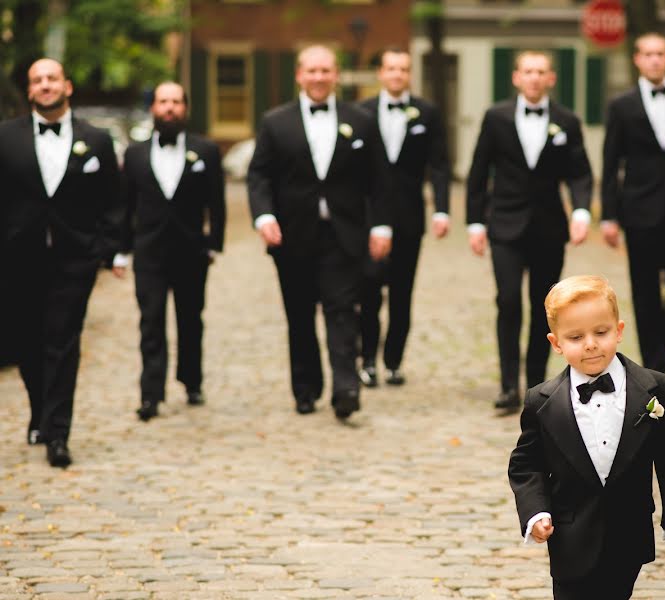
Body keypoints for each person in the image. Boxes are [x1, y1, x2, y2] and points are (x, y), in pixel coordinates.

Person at [508, 275, 665, 600]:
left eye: (601, 332)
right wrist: (536, 511)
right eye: (575, 336)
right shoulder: (541, 401)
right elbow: (527, 465)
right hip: (569, 535)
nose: (590, 344)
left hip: (628, 534)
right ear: (556, 343)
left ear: (619, 330)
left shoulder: (658, 391)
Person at [247, 45, 392, 420]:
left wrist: (380, 224)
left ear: (336, 76)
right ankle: (306, 387)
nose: (319, 77)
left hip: (343, 234)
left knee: (342, 311)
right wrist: (264, 217)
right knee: (299, 315)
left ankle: (346, 387)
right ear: (299, 75)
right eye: (312, 71)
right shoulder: (275, 122)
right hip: (292, 234)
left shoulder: (359, 120)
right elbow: (259, 175)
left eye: (326, 70)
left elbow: (378, 178)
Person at [0, 58, 123, 467]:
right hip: (19, 257)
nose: (46, 85)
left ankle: (58, 432)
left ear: (67, 86)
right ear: (30, 90)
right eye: (37, 80)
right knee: (26, 341)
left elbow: (113, 200)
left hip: (76, 257)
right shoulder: (6, 138)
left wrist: (107, 248)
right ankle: (39, 408)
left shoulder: (98, 140)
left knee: (64, 340)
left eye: (52, 78)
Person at [467, 50, 593, 414]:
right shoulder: (496, 118)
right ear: (516, 78)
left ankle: (536, 386)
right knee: (507, 300)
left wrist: (581, 211)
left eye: (541, 72)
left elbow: (580, 171)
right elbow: (479, 171)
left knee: (545, 306)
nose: (534, 78)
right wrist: (475, 222)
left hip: (548, 227)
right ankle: (508, 384)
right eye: (528, 71)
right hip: (504, 224)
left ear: (551, 78)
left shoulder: (566, 121)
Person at [118, 82, 225, 421]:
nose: (169, 108)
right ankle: (151, 393)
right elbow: (124, 206)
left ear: (185, 108)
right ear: (153, 108)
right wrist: (120, 250)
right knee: (151, 322)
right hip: (149, 252)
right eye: (163, 102)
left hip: (191, 251)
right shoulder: (134, 154)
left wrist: (214, 244)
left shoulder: (205, 151)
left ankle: (191, 380)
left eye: (176, 102)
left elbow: (217, 202)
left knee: (190, 320)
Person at [600, 32, 665, 373]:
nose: (655, 59)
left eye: (661, 53)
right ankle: (655, 368)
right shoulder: (622, 106)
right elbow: (611, 162)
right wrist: (609, 216)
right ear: (637, 60)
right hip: (639, 209)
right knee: (644, 291)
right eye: (648, 54)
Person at [357, 47, 450, 387]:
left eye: (403, 69)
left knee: (401, 292)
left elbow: (439, 164)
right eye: (391, 68)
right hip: (369, 217)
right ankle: (366, 358)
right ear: (381, 73)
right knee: (367, 289)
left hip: (410, 215)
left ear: (409, 74)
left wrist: (441, 208)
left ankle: (393, 360)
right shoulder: (361, 112)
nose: (397, 74)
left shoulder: (427, 113)